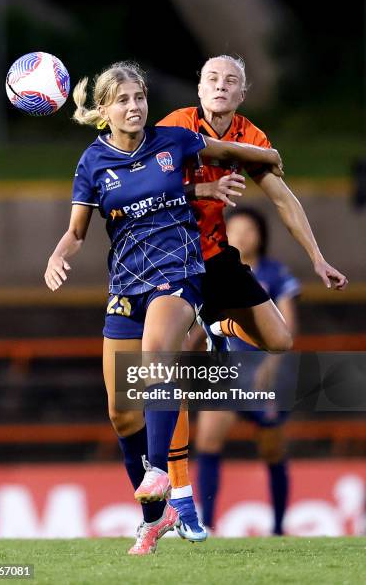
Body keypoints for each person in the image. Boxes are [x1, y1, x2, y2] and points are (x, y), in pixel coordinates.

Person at [44, 61, 281, 555]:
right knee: (121, 413)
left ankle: (160, 473)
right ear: (104, 109)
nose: (135, 107)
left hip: (179, 275)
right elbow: (77, 231)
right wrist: (58, 255)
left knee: (156, 355)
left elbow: (223, 150)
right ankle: (155, 518)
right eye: (124, 100)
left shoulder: (172, 139)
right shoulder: (93, 162)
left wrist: (266, 155)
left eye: (140, 98)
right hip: (125, 285)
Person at [158, 54, 347, 541]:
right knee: (163, 371)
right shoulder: (174, 126)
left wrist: (318, 258)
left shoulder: (250, 135)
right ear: (198, 88)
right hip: (168, 258)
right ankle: (182, 498)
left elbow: (283, 198)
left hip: (215, 256)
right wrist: (208, 181)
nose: (221, 86)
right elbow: (147, 186)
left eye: (232, 81)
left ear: (243, 93)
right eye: (213, 79)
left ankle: (220, 326)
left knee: (280, 342)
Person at [196, 206, 300, 535]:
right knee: (208, 440)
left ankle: (279, 527)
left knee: (272, 447)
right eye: (235, 228)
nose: (242, 235)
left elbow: (287, 326)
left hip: (262, 374)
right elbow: (201, 320)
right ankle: (207, 523)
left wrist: (270, 366)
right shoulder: (214, 270)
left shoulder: (274, 273)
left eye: (249, 229)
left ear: (261, 236)